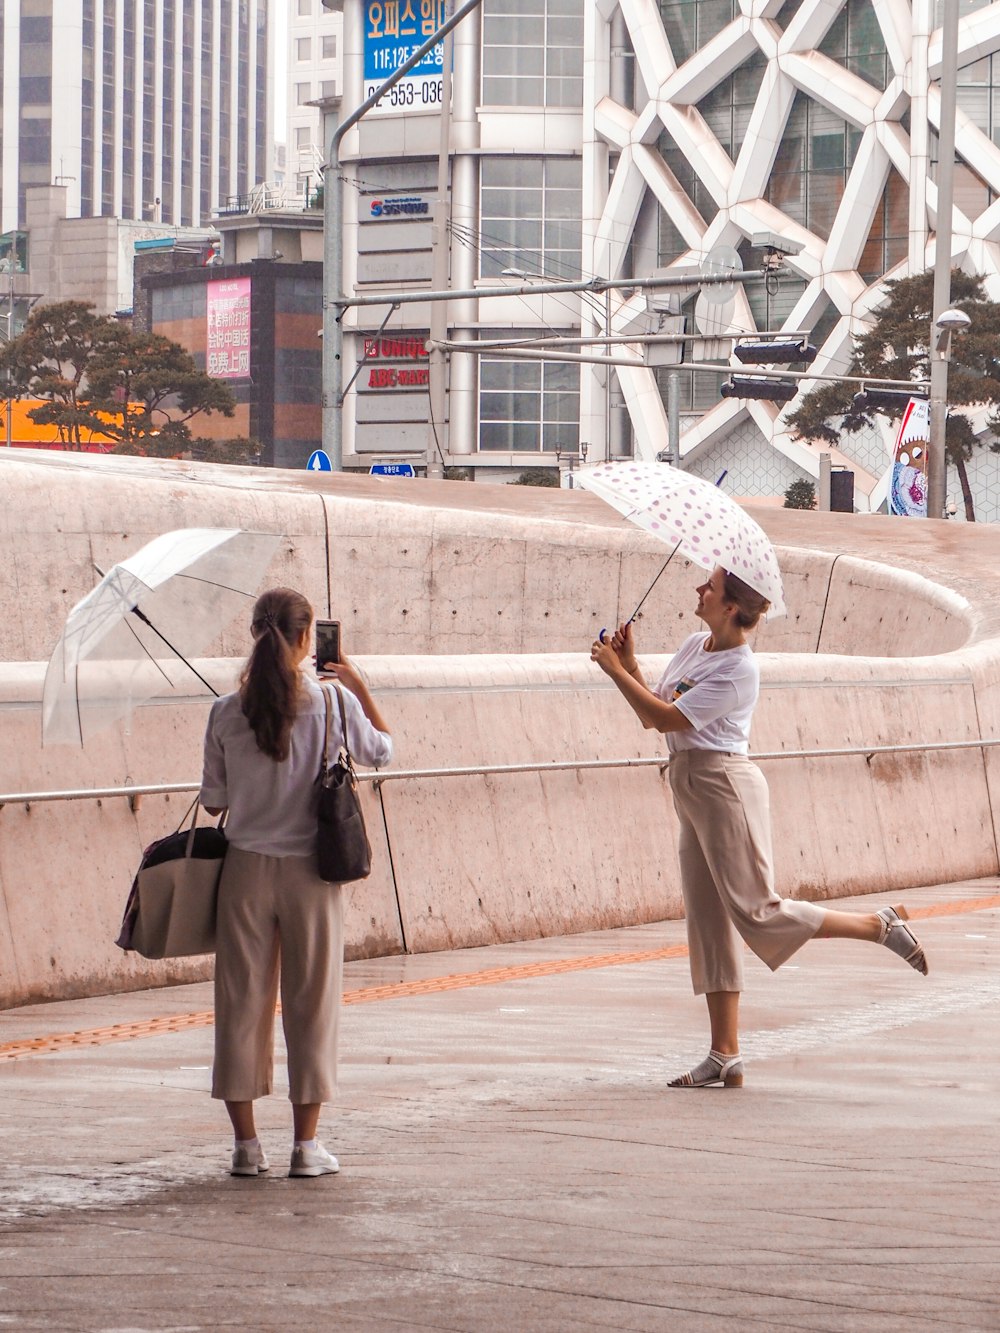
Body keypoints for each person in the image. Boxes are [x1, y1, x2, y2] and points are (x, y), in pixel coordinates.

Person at [590, 565, 927, 1090]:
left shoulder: (740, 669)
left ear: (730, 607)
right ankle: (723, 1054)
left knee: (758, 911)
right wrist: (631, 662)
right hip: (690, 785)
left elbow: (663, 720)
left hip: (724, 784)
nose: (699, 590)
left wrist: (614, 671)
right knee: (707, 919)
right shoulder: (693, 645)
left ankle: (877, 926)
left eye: (711, 587)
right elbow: (659, 701)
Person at [201, 586, 392, 1174]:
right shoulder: (333, 703)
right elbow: (382, 752)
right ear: (309, 639)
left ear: (254, 634)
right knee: (311, 1003)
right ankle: (306, 1148)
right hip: (313, 871)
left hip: (245, 873)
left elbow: (215, 802)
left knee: (240, 1004)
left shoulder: (226, 711)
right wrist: (356, 684)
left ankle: (245, 1147)